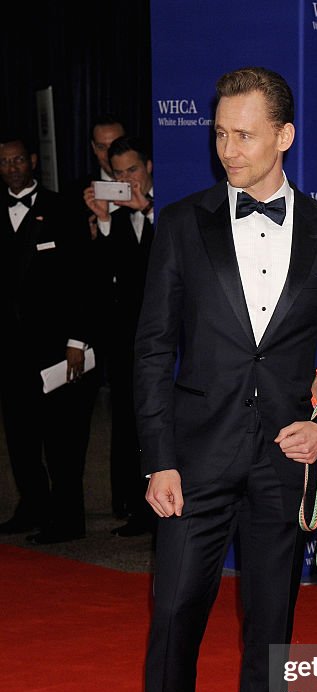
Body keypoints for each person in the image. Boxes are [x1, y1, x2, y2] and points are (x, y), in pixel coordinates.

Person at [107, 67, 317, 692]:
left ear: (283, 137)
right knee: (171, 627)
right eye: (220, 133)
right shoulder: (183, 223)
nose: (228, 148)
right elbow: (152, 348)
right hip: (190, 466)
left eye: (245, 134)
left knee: (272, 631)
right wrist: (157, 461)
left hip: (277, 469)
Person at [0, 135, 95, 543]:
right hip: (9, 348)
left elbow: (83, 276)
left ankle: (68, 518)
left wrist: (78, 339)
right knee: (20, 437)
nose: (13, 167)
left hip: (56, 346)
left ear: (33, 161)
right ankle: (32, 506)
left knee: (62, 438)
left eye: (19, 159)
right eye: (5, 162)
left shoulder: (62, 207)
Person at [84, 136, 155, 535]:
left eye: (132, 170)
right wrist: (106, 220)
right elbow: (111, 278)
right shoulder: (119, 216)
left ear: (148, 166)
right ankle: (133, 505)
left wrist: (145, 209)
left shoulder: (169, 206)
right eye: (117, 173)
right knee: (129, 421)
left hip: (174, 339)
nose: (126, 179)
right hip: (129, 339)